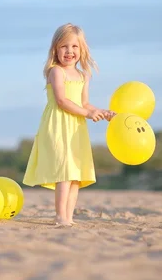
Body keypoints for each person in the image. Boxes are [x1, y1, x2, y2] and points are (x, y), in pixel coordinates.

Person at [22, 23, 115, 226]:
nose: (69, 51)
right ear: (56, 48)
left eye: (74, 47)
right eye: (64, 46)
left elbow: (84, 103)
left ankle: (69, 217)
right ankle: (60, 216)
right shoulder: (56, 72)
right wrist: (88, 114)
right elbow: (62, 101)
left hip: (76, 128)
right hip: (58, 124)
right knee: (64, 171)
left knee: (75, 175)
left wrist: (99, 111)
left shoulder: (83, 75)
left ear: (82, 50)